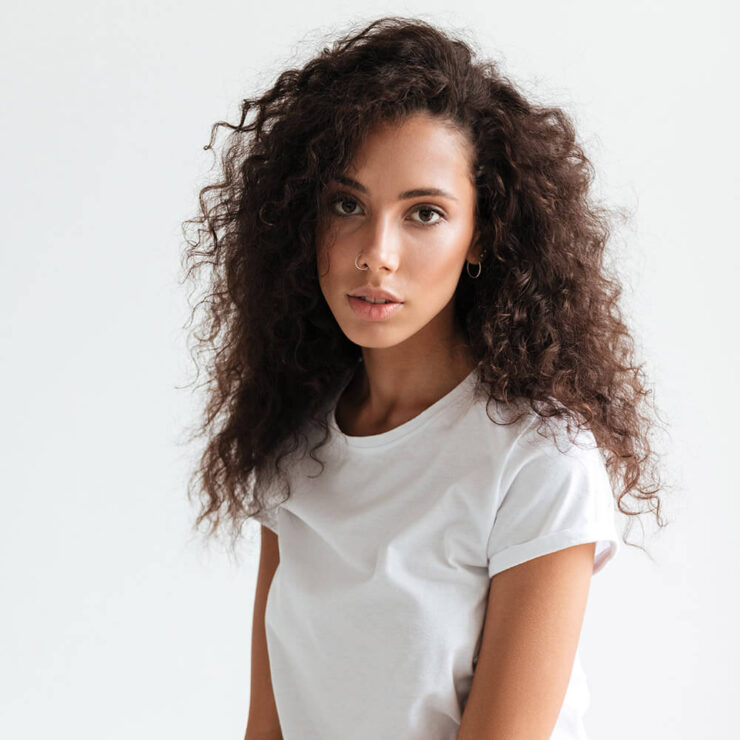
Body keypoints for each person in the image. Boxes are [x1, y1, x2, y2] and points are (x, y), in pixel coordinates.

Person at [181, 16, 667, 740]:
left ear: (481, 235)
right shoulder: (294, 436)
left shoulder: (538, 460)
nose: (376, 253)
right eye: (348, 205)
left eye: (425, 213)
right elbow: (267, 727)